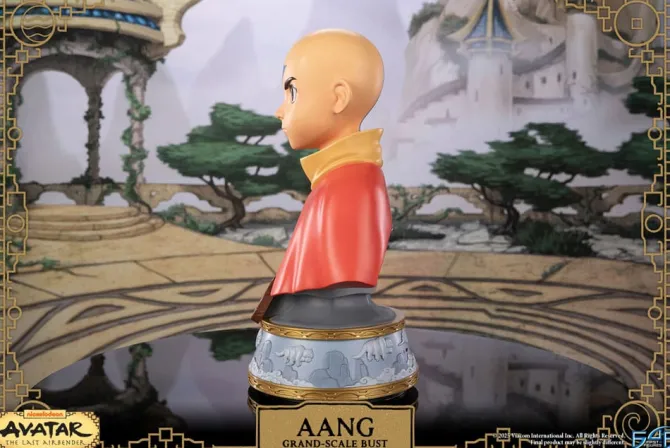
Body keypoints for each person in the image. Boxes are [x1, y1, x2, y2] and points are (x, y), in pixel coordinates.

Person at [251, 29, 395, 329]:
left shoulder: (350, 181)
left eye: (292, 92)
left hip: (328, 319)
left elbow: (341, 271)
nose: (279, 111)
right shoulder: (339, 176)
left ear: (338, 98)